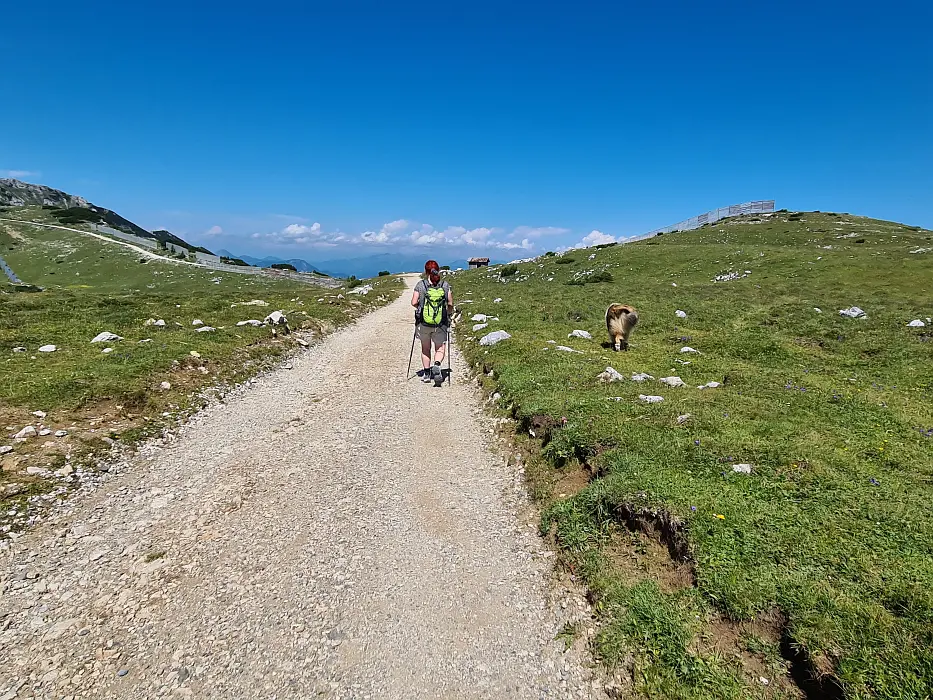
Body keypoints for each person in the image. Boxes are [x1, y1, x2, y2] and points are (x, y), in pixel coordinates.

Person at [411, 259, 453, 385]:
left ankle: (427, 374)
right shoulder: (444, 285)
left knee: (426, 348)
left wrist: (421, 307)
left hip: (423, 323)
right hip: (440, 323)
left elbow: (413, 302)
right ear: (438, 270)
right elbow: (450, 303)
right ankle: (437, 364)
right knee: (440, 347)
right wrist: (447, 314)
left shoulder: (421, 285)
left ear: (426, 271)